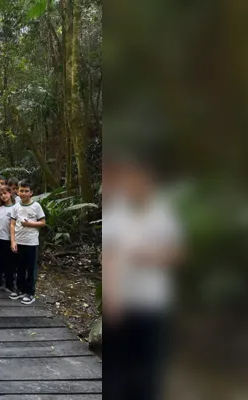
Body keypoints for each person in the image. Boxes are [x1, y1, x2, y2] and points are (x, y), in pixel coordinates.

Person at [102, 156, 183, 400]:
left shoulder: (164, 212)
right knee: (118, 369)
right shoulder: (116, 213)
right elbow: (109, 257)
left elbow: (179, 253)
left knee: (148, 368)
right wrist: (112, 298)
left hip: (152, 303)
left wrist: (151, 256)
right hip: (122, 304)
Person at [9, 180, 46, 305]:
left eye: (26, 191)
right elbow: (12, 223)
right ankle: (20, 289)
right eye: (21, 191)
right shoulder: (16, 206)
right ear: (17, 192)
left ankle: (30, 293)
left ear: (31, 193)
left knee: (30, 269)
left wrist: (29, 224)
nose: (23, 193)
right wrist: (13, 241)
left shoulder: (36, 206)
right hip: (18, 241)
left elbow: (42, 222)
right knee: (19, 267)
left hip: (31, 242)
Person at [0, 186, 17, 293]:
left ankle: (10, 284)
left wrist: (13, 240)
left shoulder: (15, 208)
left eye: (5, 193)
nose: (3, 196)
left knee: (9, 263)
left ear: (10, 193)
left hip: (7, 239)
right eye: (1, 195)